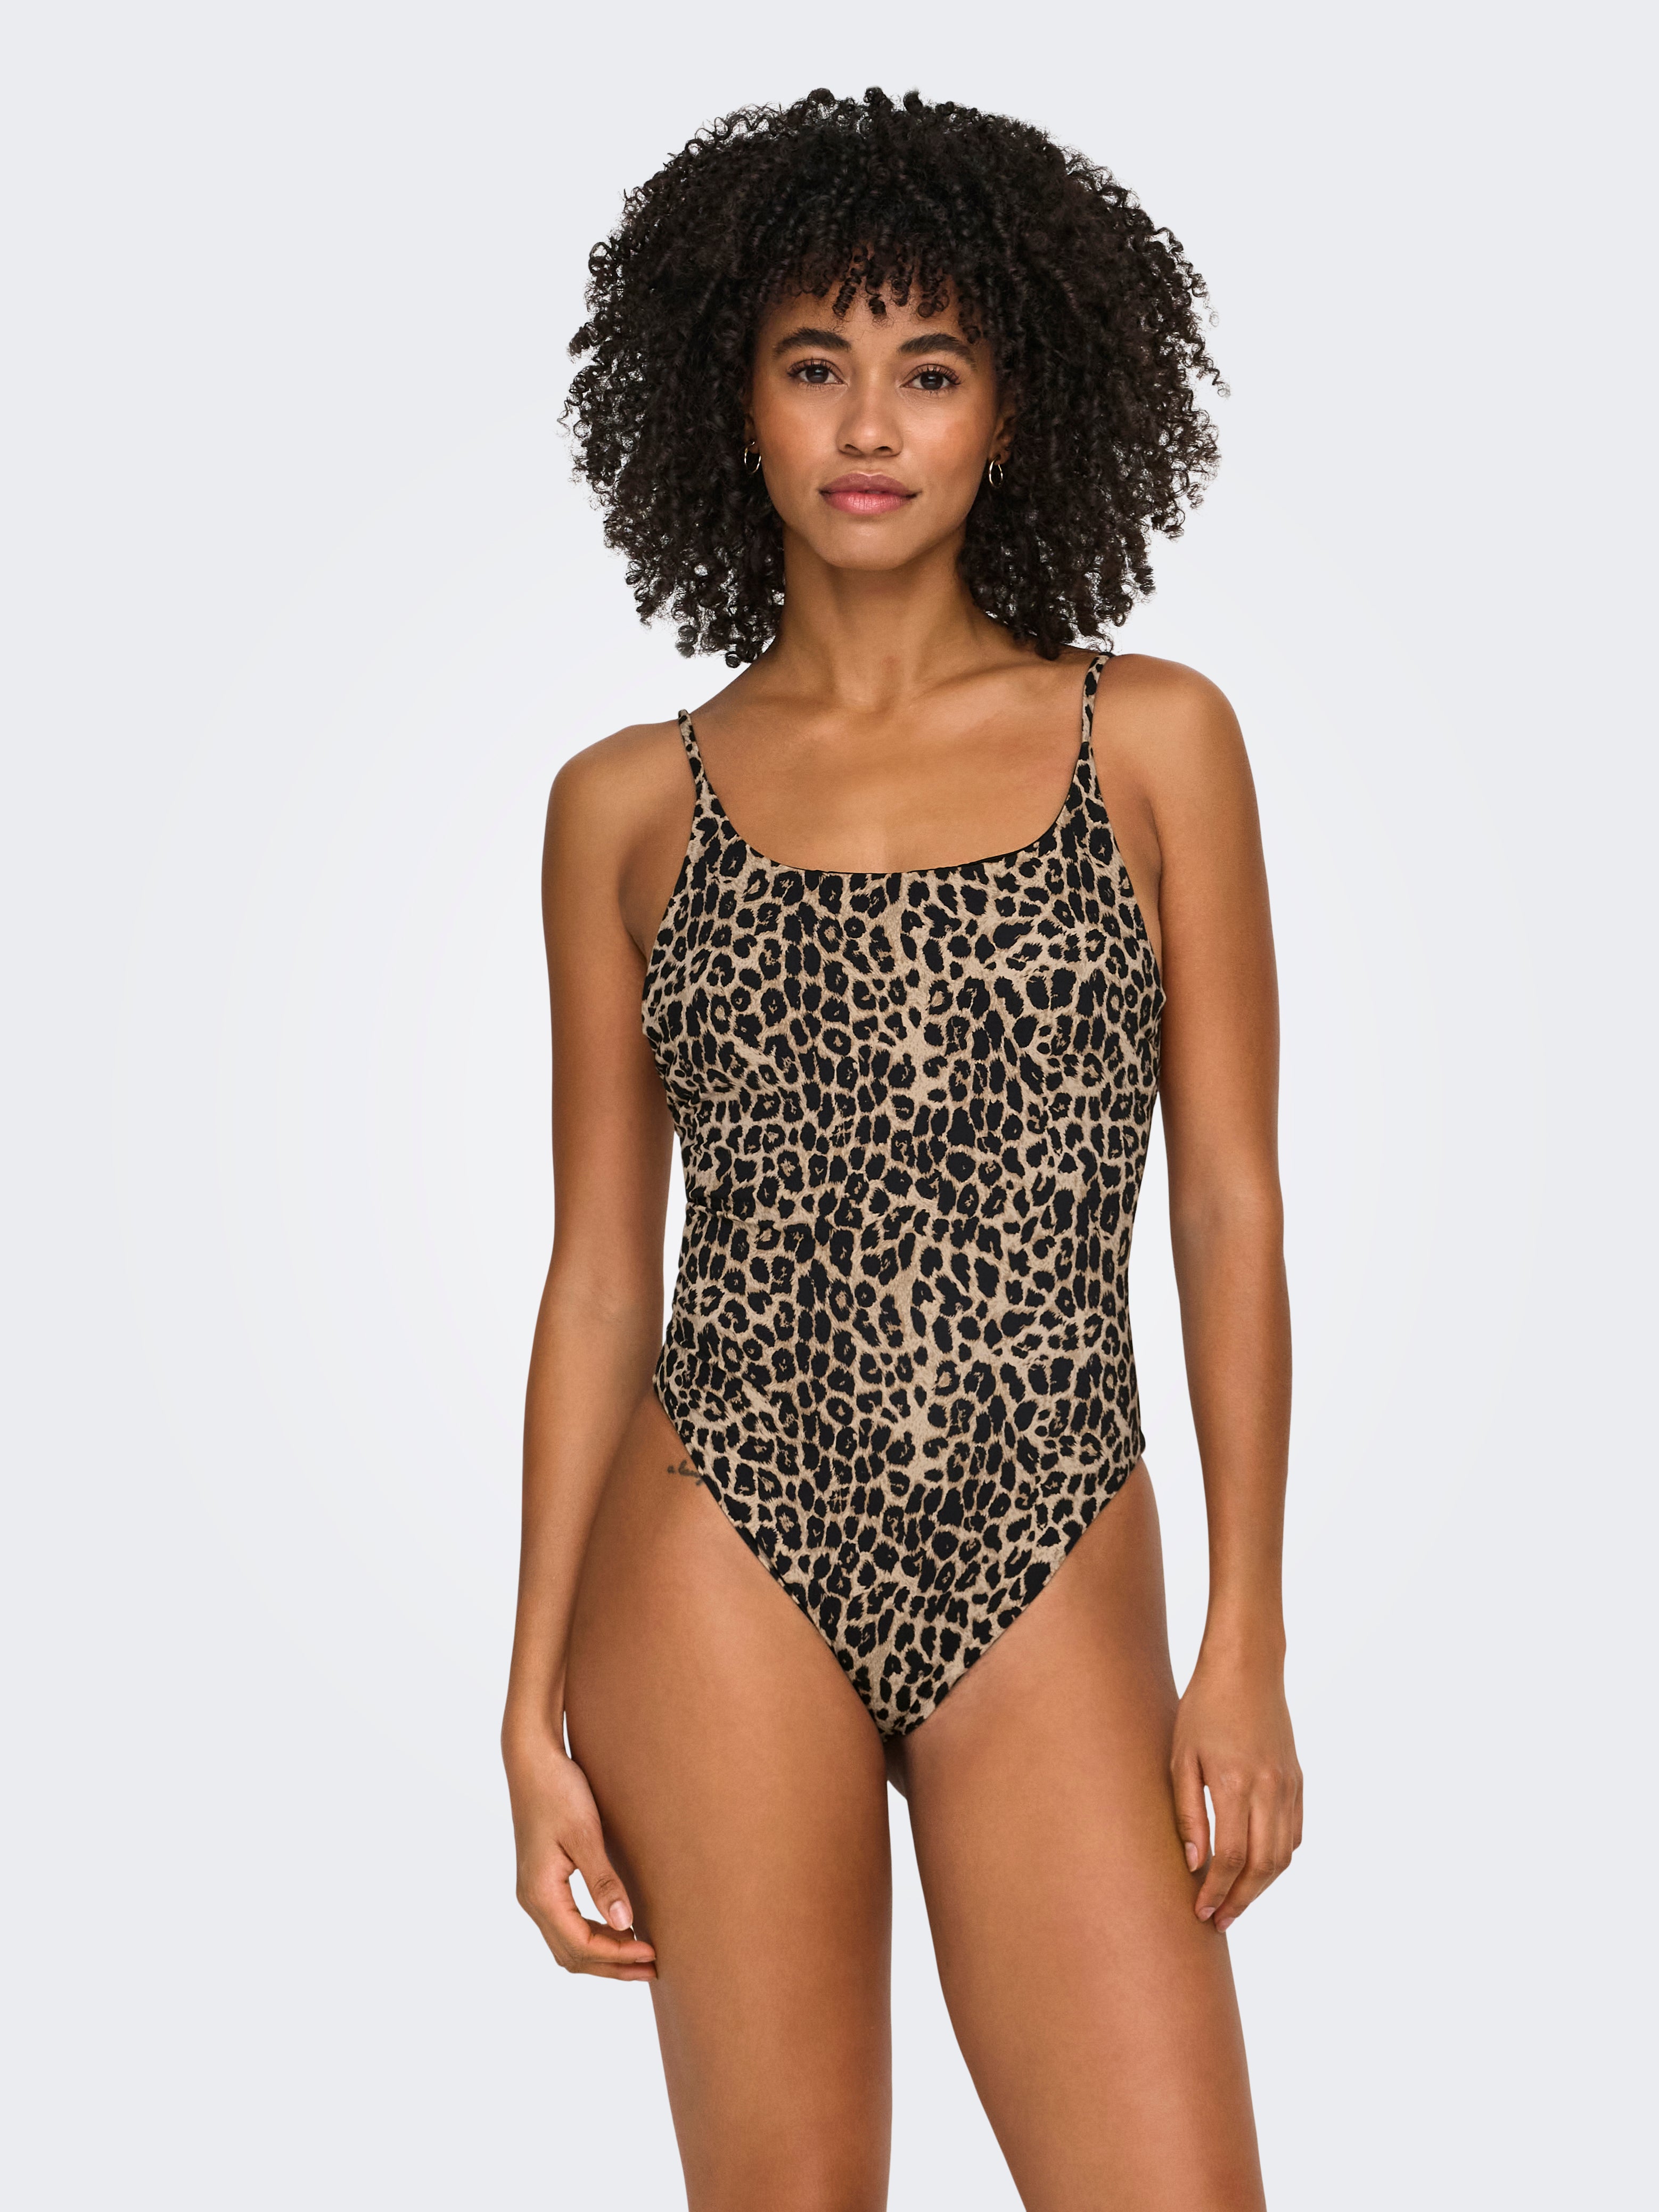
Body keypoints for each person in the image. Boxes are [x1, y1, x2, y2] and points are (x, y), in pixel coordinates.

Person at [502, 86, 1301, 2211]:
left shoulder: (1150, 743)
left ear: (1014, 411)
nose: (868, 424)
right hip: (711, 1539)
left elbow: (1228, 1206)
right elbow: (600, 1270)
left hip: (1049, 1523)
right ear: (730, 403)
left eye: (929, 370)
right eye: (813, 364)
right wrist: (524, 1697)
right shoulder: (622, 807)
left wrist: (1243, 1635)